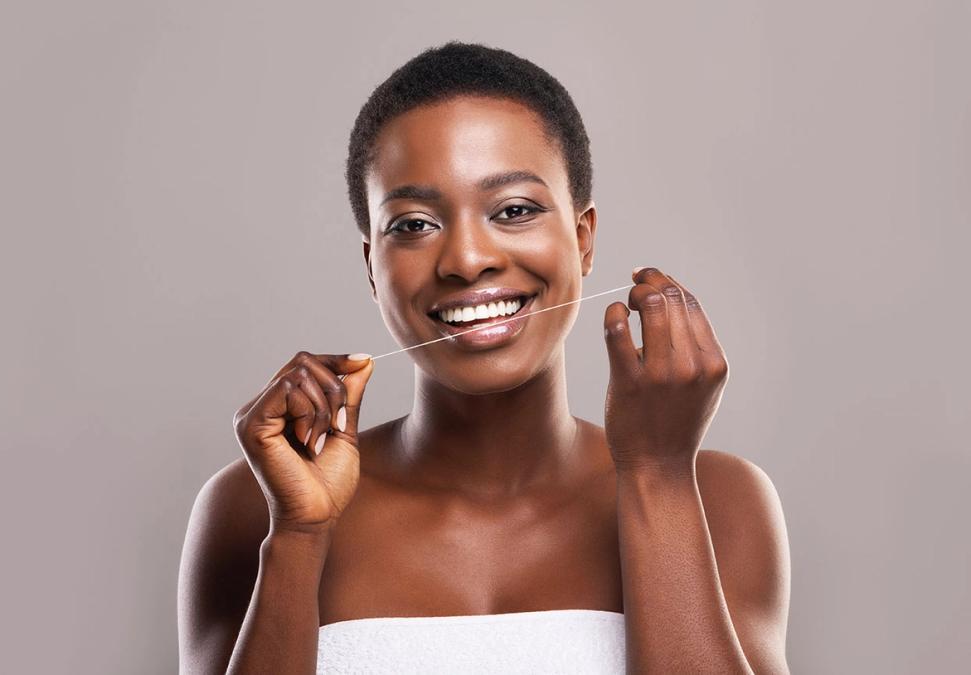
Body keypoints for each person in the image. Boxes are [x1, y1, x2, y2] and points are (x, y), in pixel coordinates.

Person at [177, 40, 791, 674]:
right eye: (413, 223)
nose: (467, 259)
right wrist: (298, 537)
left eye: (515, 210)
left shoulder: (718, 497)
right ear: (371, 265)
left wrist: (658, 477)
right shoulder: (254, 507)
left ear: (582, 241)